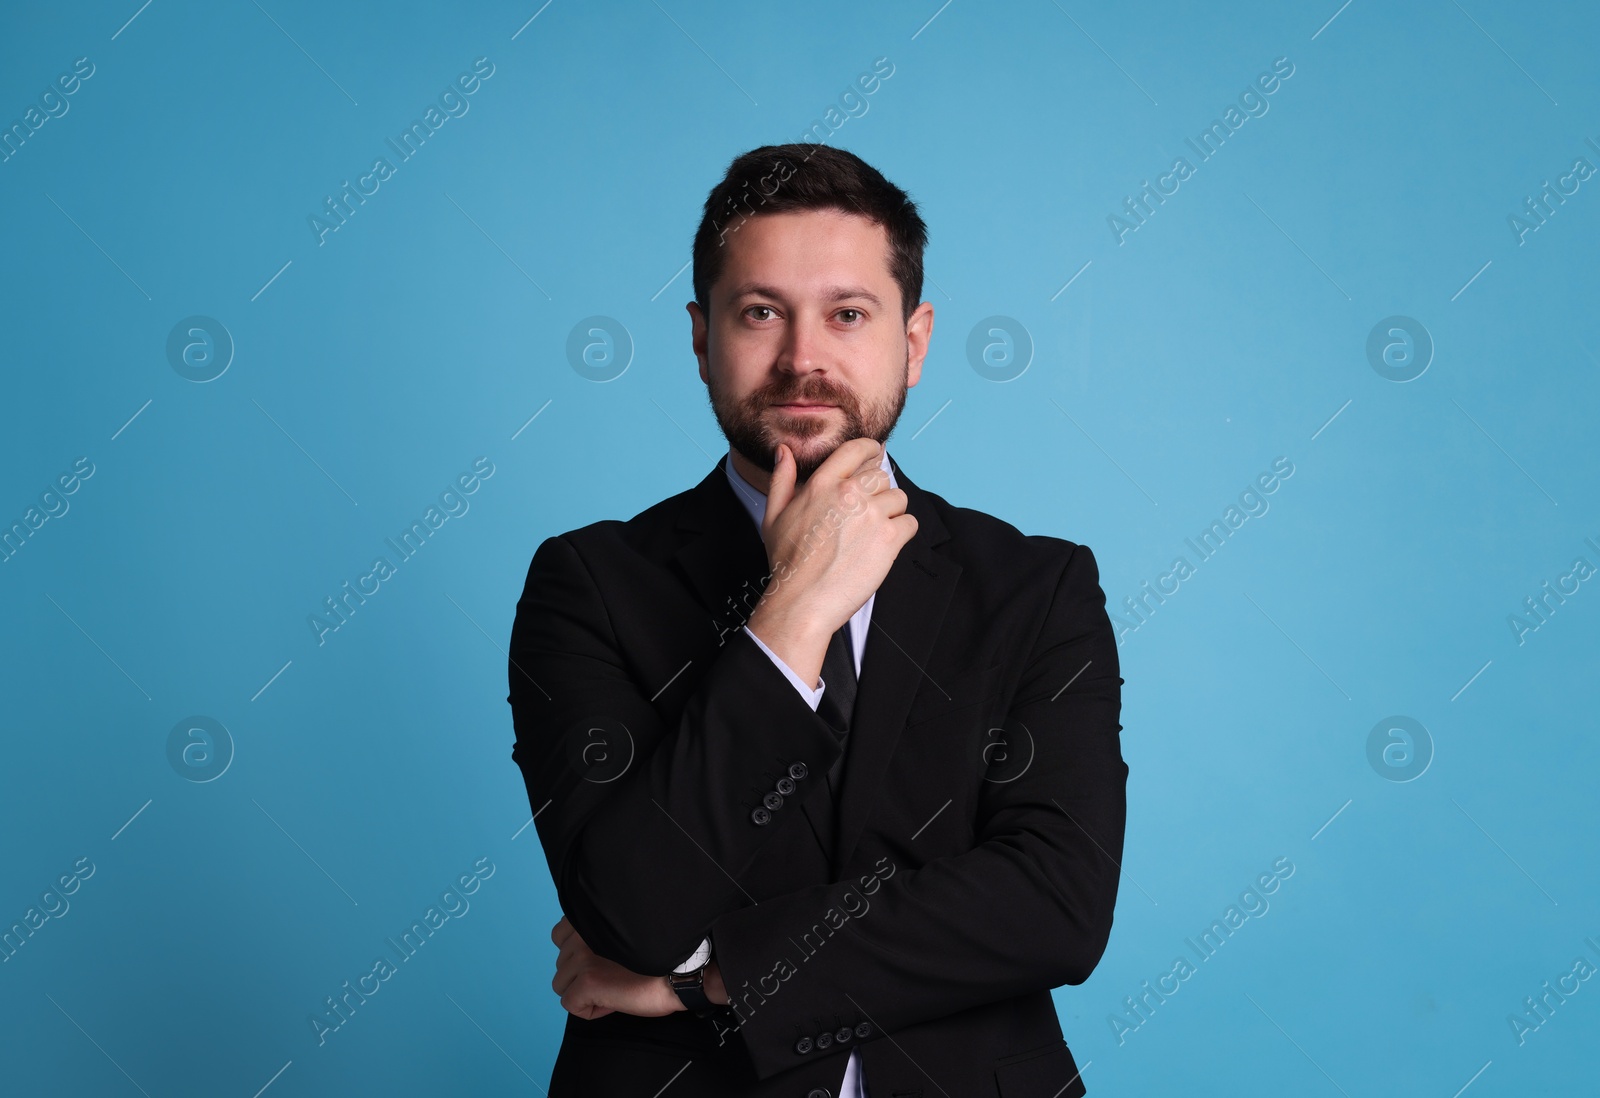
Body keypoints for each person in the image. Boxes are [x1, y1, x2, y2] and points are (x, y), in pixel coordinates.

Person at [507, 144, 1127, 1097]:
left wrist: (703, 982)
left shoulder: (1037, 589)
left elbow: (1055, 906)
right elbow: (632, 911)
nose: (803, 358)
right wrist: (792, 613)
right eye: (761, 313)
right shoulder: (588, 584)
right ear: (702, 338)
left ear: (914, 342)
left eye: (847, 314)